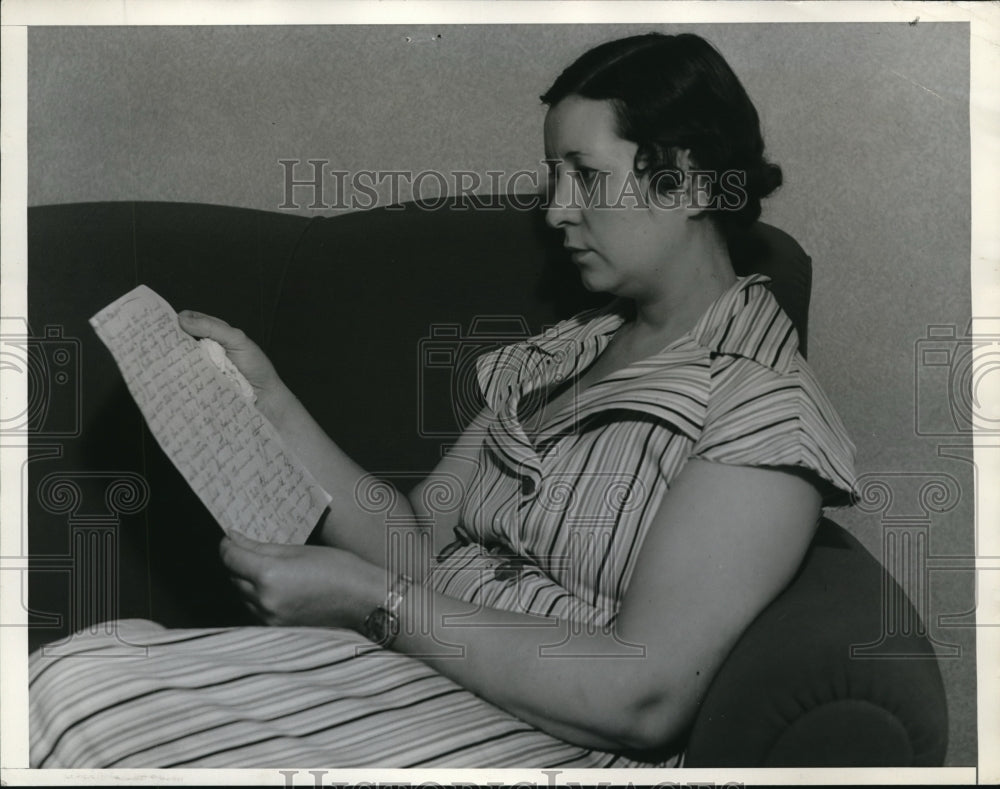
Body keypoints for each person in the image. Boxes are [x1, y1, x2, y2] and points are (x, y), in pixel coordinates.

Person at [29, 32, 856, 768]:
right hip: (422, 666)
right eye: (552, 174)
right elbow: (418, 543)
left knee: (86, 713)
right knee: (74, 669)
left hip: (540, 730)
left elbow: (641, 695)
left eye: (586, 176)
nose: (557, 209)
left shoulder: (762, 404)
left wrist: (366, 600)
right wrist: (266, 397)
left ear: (689, 185)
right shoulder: (563, 350)